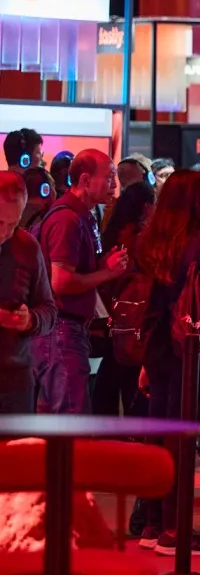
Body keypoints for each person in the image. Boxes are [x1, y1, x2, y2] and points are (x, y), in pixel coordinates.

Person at [138, 169, 200, 555]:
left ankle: (153, 523)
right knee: (183, 433)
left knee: (159, 430)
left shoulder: (150, 240)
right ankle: (176, 530)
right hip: (190, 343)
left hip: (156, 342)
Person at [33, 149, 126, 413]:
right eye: (109, 177)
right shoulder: (67, 218)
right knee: (69, 417)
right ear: (85, 180)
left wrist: (102, 265)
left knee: (60, 416)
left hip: (67, 331)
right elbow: (60, 282)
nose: (114, 184)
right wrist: (107, 272)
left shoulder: (84, 214)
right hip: (62, 331)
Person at [93, 181, 156, 417]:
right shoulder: (142, 240)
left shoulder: (112, 233)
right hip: (134, 318)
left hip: (112, 314)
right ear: (146, 206)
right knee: (131, 377)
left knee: (112, 371)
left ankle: (105, 426)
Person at [0, 172, 57, 413]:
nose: (5, 233)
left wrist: (29, 320)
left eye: (13, 224)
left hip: (15, 383)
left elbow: (49, 311)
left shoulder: (27, 246)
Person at [21, 167, 56, 231]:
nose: (55, 191)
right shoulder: (46, 218)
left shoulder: (15, 213)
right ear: (45, 190)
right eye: (53, 185)